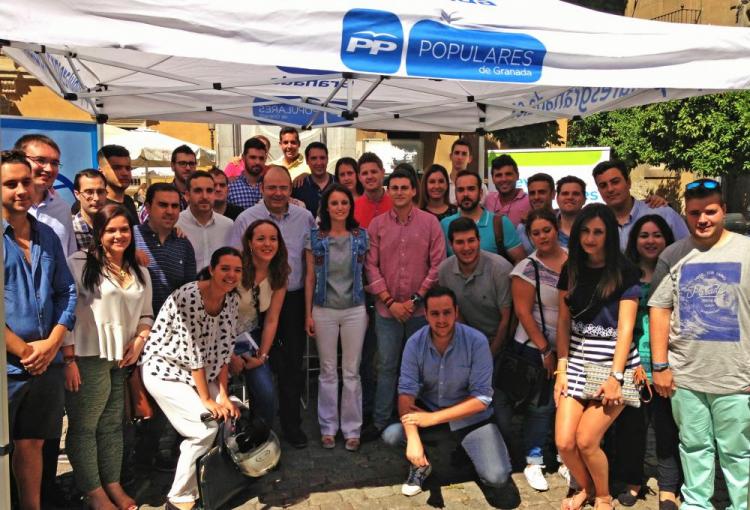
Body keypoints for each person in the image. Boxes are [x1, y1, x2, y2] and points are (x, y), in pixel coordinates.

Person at [649, 178, 750, 510]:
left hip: (736, 375)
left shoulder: (746, 250)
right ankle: (696, 504)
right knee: (693, 447)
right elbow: (660, 309)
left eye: (710, 211)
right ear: (685, 214)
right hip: (685, 375)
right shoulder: (672, 255)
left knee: (738, 452)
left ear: (723, 210)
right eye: (694, 213)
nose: (702, 219)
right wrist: (660, 366)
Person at [62, 204, 153, 510]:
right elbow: (65, 311)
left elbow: (146, 315)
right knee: (85, 426)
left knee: (112, 425)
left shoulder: (139, 270)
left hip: (122, 358)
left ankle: (112, 484)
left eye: (124, 229)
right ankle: (93, 491)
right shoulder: (79, 263)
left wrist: (139, 342)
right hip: (88, 355)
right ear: (99, 233)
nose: (118, 235)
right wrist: (69, 358)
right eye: (111, 230)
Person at [381, 286, 512, 497]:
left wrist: (433, 418)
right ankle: (421, 465)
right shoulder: (415, 343)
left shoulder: (476, 341)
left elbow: (482, 398)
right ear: (425, 314)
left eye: (447, 312)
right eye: (434, 313)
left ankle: (468, 452)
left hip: (471, 419)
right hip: (431, 412)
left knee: (497, 478)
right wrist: (413, 439)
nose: (441, 319)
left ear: (456, 312)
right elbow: (406, 392)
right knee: (392, 435)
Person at [140, 247, 243, 510]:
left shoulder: (231, 300)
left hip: (199, 372)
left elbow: (224, 349)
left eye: (237, 270)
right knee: (203, 427)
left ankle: (212, 481)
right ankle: (178, 497)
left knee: (234, 408)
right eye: (225, 269)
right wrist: (208, 400)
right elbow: (192, 352)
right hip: (166, 370)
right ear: (212, 269)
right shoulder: (189, 295)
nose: (231, 275)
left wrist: (222, 394)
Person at [554, 203, 641, 510]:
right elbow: (563, 322)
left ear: (609, 235)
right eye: (585, 231)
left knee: (587, 440)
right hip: (577, 361)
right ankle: (586, 488)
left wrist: (616, 378)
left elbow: (626, 330)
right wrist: (560, 369)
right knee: (565, 443)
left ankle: (603, 496)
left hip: (615, 366)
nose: (590, 238)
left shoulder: (625, 270)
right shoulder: (571, 268)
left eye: (598, 232)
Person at [3, 150, 77, 510]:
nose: (21, 189)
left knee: (33, 443)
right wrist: (24, 350)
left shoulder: (47, 235)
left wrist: (52, 342)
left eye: (26, 182)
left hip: (46, 362)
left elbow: (68, 291)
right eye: (10, 183)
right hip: (9, 367)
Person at [231, 165, 316, 448]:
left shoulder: (305, 217)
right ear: (261, 188)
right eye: (272, 187)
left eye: (283, 188)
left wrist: (308, 309)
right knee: (260, 369)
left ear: (291, 189)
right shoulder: (246, 219)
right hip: (253, 303)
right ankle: (260, 427)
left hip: (290, 298)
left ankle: (292, 425)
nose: (278, 193)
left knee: (292, 365)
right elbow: (234, 261)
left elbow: (310, 263)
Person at [362, 168, 446, 441]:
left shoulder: (430, 223)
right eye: (394, 187)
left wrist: (414, 300)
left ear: (413, 191)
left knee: (420, 367)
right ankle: (380, 419)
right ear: (389, 191)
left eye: (404, 187)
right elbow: (370, 266)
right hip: (387, 312)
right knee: (386, 366)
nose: (398, 192)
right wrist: (389, 301)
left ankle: (419, 419)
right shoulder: (376, 225)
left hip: (420, 311)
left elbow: (437, 265)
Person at [495, 209, 568, 492]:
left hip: (568, 346)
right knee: (540, 406)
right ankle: (533, 460)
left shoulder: (575, 261)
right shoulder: (526, 268)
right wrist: (545, 350)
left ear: (556, 229)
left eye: (546, 230)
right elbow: (523, 313)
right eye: (535, 233)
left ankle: (565, 459)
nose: (542, 237)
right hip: (534, 347)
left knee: (566, 403)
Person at [611, 215, 680, 509]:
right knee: (633, 428)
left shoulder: (677, 272)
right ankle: (633, 480)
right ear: (634, 242)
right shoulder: (624, 277)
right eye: (643, 236)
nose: (650, 241)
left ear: (666, 239)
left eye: (656, 235)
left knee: (667, 427)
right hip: (634, 364)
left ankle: (668, 488)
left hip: (669, 363)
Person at [132, 183, 197, 470]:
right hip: (135, 333)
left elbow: (189, 290)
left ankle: (161, 452)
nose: (170, 211)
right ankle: (137, 458)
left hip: (171, 335)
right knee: (137, 400)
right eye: (163, 205)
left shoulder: (183, 243)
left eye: (175, 206)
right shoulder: (131, 237)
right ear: (147, 207)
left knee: (167, 397)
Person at [304, 184, 369, 451]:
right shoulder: (315, 237)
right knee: (328, 371)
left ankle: (353, 429)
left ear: (350, 206)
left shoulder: (360, 236)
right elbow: (309, 276)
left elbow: (367, 272)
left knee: (352, 371)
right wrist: (307, 313)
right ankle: (328, 427)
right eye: (335, 203)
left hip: (355, 308)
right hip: (324, 309)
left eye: (344, 202)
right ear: (326, 207)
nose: (340, 207)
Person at [231, 219, 289, 429]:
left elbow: (272, 319)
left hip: (249, 338)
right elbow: (214, 316)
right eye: (261, 238)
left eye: (273, 239)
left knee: (266, 393)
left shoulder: (279, 275)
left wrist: (262, 356)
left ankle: (257, 437)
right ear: (249, 243)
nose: (268, 244)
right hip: (218, 339)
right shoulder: (234, 269)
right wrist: (229, 355)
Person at [437, 217, 512, 356]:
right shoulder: (444, 271)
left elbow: (507, 320)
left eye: (471, 240)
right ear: (450, 244)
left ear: (479, 240)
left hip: (502, 342)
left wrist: (490, 355)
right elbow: (455, 314)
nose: (466, 248)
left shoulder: (500, 269)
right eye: (459, 242)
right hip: (467, 341)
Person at [592, 160, 688, 250]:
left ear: (629, 182)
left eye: (615, 182)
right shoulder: (596, 223)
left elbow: (687, 251)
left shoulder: (663, 213)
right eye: (603, 185)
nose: (610, 189)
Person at [440, 171, 525, 264]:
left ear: (480, 193)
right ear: (455, 194)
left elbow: (521, 261)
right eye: (460, 190)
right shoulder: (445, 225)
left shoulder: (500, 223)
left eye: (471, 189)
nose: (465, 194)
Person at [13, 134, 77, 257]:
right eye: (40, 160)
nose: (49, 169)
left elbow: (70, 256)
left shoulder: (62, 208)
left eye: (54, 163)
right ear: (19, 161)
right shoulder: (6, 207)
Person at [176, 170, 233, 272]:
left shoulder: (228, 225)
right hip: (186, 286)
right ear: (187, 195)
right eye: (198, 191)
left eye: (209, 191)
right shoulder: (176, 224)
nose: (205, 196)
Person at [516, 173, 558, 253]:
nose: (536, 197)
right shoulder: (522, 228)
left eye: (542, 192)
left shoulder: (562, 221)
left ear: (553, 194)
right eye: (532, 193)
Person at [485, 154, 531, 226]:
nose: (504, 179)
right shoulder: (487, 200)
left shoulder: (530, 201)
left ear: (517, 176)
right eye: (498, 175)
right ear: (493, 179)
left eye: (508, 174)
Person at [292, 141, 335, 216]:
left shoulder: (338, 183)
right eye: (314, 158)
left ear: (327, 159)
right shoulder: (298, 187)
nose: (319, 163)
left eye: (322, 158)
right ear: (307, 161)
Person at [97, 145, 139, 221]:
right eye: (117, 168)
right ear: (101, 172)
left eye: (128, 168)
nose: (125, 173)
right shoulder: (96, 205)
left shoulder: (128, 201)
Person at [72, 169, 108, 251]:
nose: (96, 198)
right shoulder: (69, 230)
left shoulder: (114, 227)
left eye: (100, 191)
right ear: (77, 194)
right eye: (89, 192)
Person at [353, 152, 392, 229]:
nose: (369, 176)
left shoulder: (396, 205)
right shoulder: (352, 209)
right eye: (365, 173)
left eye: (374, 172)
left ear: (382, 172)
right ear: (359, 177)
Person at [227, 137, 265, 211]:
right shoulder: (231, 187)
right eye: (253, 157)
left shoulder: (271, 186)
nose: (257, 162)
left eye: (261, 158)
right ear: (244, 158)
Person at [446, 138, 487, 205]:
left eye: (464, 154)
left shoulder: (481, 187)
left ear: (470, 159)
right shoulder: (442, 185)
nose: (460, 157)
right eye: (457, 153)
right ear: (451, 156)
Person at [556, 176, 588, 248]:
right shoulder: (547, 227)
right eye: (565, 193)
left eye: (576, 194)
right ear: (557, 198)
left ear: (584, 199)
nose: (570, 197)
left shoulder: (595, 226)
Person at [169, 145, 195, 211]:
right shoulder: (163, 194)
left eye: (191, 164)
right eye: (182, 163)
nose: (188, 168)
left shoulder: (203, 194)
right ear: (172, 166)